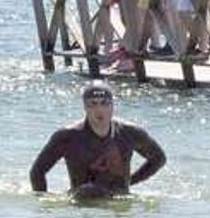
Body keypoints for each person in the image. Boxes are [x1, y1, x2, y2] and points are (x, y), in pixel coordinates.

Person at [29, 81, 166, 199]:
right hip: (82, 205)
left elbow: (158, 159)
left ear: (113, 106)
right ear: (85, 107)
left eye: (104, 103)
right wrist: (43, 204)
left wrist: (131, 181)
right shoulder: (67, 136)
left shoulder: (130, 133)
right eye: (92, 104)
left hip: (118, 205)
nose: (99, 109)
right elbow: (37, 171)